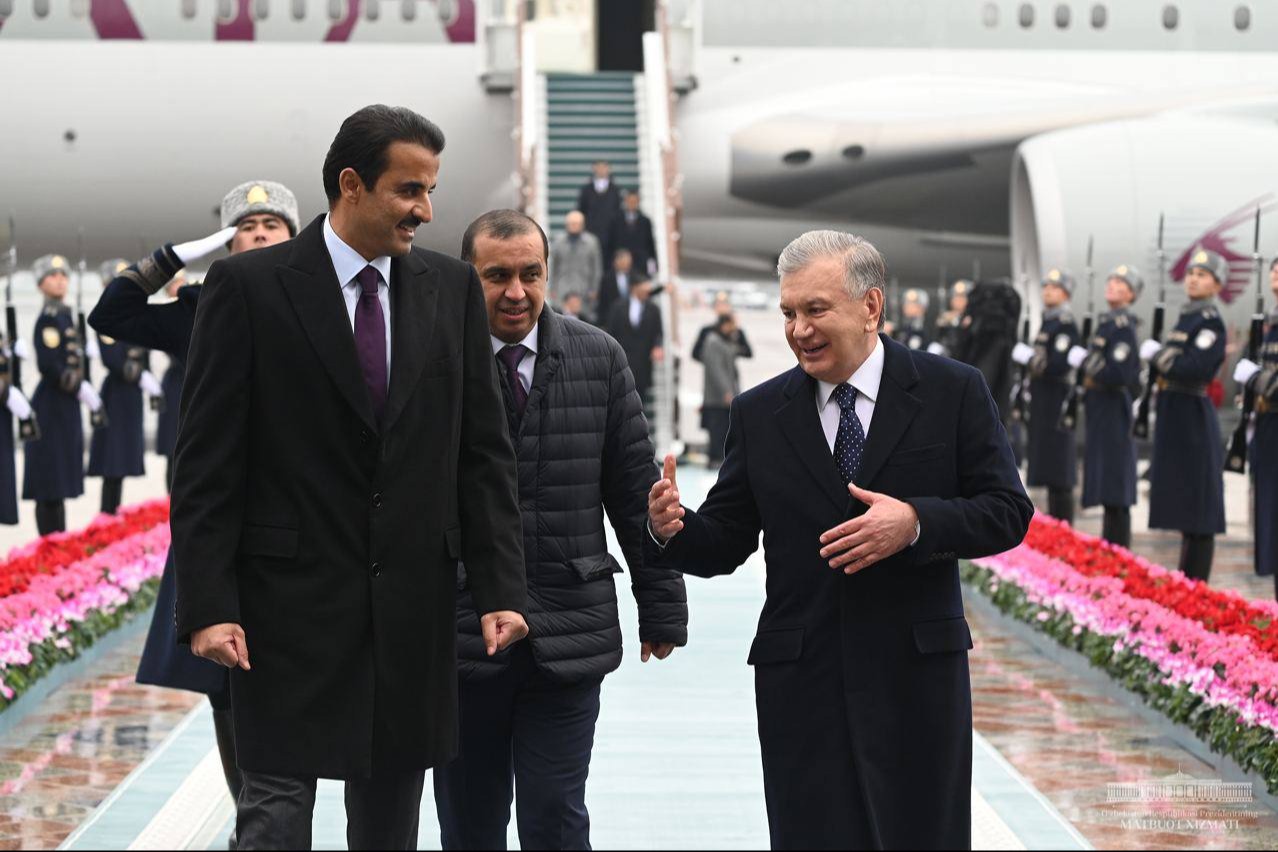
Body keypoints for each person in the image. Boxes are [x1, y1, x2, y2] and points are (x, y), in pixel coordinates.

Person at [171, 105, 529, 850]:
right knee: (273, 820)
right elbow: (206, 463)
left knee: (389, 825)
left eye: (429, 191)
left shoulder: (451, 289)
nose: (425, 211)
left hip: (410, 612)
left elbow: (482, 453)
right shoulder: (249, 287)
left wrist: (500, 586)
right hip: (280, 616)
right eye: (409, 190)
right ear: (351, 185)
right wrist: (208, 604)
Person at [646, 230, 1032, 849]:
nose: (799, 330)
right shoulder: (759, 413)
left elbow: (1007, 511)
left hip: (916, 681)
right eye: (788, 313)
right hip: (804, 684)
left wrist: (915, 522)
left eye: (816, 310)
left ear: (871, 306)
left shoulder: (952, 390)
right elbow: (725, 539)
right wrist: (674, 527)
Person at [434, 209, 687, 850]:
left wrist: (661, 607)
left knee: (555, 815)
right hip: (460, 636)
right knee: (470, 823)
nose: (516, 292)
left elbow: (634, 494)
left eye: (530, 274)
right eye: (496, 276)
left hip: (568, 630)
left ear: (548, 273)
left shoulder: (599, 356)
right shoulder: (432, 360)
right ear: (467, 278)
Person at [91, 178, 302, 849]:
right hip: (218, 524)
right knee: (223, 683)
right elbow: (112, 313)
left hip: (299, 521)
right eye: (246, 228)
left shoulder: (321, 304)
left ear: (295, 238)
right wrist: (176, 256)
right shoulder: (200, 309)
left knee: (296, 681)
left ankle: (271, 825)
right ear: (227, 244)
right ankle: (252, 825)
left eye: (272, 226)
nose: (259, 235)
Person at [1142, 248, 1228, 580]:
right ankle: (1186, 580)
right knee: (1184, 505)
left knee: (1199, 509)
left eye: (1202, 275)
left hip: (1193, 417)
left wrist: (1159, 357)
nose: (1193, 279)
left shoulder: (1210, 322)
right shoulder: (1186, 318)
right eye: (1191, 273)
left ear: (1217, 285)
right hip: (1175, 414)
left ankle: (1196, 584)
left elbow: (1194, 367)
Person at [1072, 264, 1142, 548]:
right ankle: (1110, 545)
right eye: (1111, 280)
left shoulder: (1123, 327)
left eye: (1120, 283)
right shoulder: (1107, 323)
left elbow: (1119, 372)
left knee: (1115, 481)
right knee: (1106, 479)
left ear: (1131, 294)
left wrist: (1086, 362)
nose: (1112, 285)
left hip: (1114, 406)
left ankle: (1119, 547)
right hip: (1101, 405)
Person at [22, 254, 90, 535]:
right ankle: (49, 543)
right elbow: (50, 365)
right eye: (53, 276)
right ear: (41, 285)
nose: (60, 281)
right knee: (49, 482)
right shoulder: (49, 320)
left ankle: (59, 541)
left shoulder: (65, 317)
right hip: (52, 406)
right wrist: (79, 386)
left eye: (63, 276)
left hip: (65, 404)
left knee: (60, 482)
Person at [86, 259, 157, 515]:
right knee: (113, 461)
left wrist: (147, 376)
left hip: (132, 395)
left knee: (124, 460)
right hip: (117, 393)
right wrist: (140, 376)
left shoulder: (135, 314)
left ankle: (113, 513)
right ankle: (107, 513)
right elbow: (113, 359)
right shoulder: (107, 314)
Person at [1012, 268, 1080, 524]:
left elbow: (1058, 365)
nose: (1048, 291)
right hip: (1043, 398)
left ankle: (1064, 526)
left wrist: (1030, 359)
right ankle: (1056, 526)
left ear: (1065, 294)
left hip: (1056, 398)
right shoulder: (1049, 322)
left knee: (1059, 468)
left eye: (1054, 287)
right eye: (1046, 287)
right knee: (1051, 467)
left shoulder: (1064, 324)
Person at [1232, 257, 1278, 585]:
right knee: (1269, 514)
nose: (1275, 273)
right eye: (1274, 269)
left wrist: (1256, 379)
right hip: (1266, 426)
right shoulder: (1268, 324)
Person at [605, 274, 663, 409]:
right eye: (644, 289)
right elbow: (611, 331)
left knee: (640, 397)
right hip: (622, 358)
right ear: (634, 289)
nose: (647, 292)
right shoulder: (618, 307)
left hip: (643, 359)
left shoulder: (653, 309)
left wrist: (658, 347)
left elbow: (658, 333)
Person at [154, 271, 190, 492]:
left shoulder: (194, 309)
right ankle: (171, 498)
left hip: (191, 379)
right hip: (175, 382)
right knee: (173, 448)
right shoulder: (163, 314)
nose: (181, 286)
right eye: (176, 283)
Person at [699, 311, 744, 467]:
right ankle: (715, 460)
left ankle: (720, 459)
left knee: (724, 428)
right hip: (716, 397)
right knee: (717, 429)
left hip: (725, 395)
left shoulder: (724, 340)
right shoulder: (713, 341)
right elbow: (716, 369)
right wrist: (726, 391)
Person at [548, 211, 602, 308]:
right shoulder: (558, 242)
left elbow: (596, 268)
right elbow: (553, 266)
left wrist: (594, 289)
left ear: (583, 225)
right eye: (572, 223)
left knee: (583, 315)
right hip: (562, 287)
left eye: (577, 223)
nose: (574, 226)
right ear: (566, 224)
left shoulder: (591, 242)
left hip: (584, 288)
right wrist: (552, 288)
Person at [691, 290, 753, 364]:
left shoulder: (736, 331)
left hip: (729, 368)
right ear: (714, 308)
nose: (722, 308)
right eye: (718, 305)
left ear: (729, 307)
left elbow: (748, 353)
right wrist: (712, 359)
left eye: (724, 305)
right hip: (712, 368)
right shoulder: (707, 330)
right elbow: (695, 354)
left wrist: (731, 350)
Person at [576, 160, 622, 255]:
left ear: (608, 169)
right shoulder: (586, 190)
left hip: (610, 235)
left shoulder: (615, 190)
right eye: (599, 167)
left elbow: (618, 212)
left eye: (604, 167)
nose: (601, 170)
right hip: (590, 232)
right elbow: (581, 210)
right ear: (594, 169)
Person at [608, 190, 657, 277]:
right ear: (625, 202)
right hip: (621, 263)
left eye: (634, 201)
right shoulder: (615, 220)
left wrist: (653, 269)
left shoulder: (645, 221)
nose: (632, 204)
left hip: (640, 264)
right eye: (630, 201)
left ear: (638, 202)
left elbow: (650, 245)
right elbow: (611, 243)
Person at [596, 247, 634, 326]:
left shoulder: (635, 277)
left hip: (631, 319)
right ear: (616, 262)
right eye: (624, 261)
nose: (627, 264)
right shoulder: (607, 279)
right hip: (613, 319)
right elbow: (603, 302)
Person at [934, 278, 971, 357]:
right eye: (955, 296)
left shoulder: (972, 318)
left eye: (962, 296)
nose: (958, 300)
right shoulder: (945, 316)